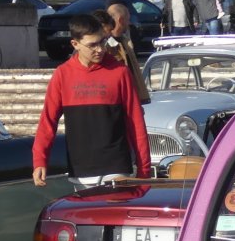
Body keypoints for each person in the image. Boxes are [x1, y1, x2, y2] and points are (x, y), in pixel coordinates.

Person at [32, 14, 150, 188]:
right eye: (92, 45)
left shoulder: (120, 72)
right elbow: (47, 121)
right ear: (75, 44)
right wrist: (40, 161)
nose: (100, 49)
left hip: (116, 167)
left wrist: (144, 169)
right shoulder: (62, 74)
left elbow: (136, 122)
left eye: (102, 41)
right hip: (80, 170)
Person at [104, 5, 151, 104]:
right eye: (128, 19)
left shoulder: (125, 41)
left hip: (132, 99)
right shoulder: (106, 46)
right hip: (117, 101)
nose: (129, 23)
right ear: (121, 20)